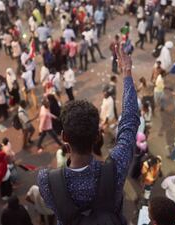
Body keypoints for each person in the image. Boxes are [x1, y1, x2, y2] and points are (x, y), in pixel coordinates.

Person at [37, 44, 139, 225]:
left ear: (64, 137)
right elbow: (129, 122)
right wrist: (127, 73)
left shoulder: (47, 180)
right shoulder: (115, 167)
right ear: (97, 136)